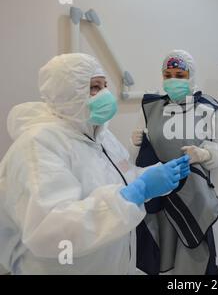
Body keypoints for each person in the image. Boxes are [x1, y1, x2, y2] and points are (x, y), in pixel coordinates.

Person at [0, 53, 190, 274]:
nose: (106, 95)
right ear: (67, 93)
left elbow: (123, 179)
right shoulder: (38, 145)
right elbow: (53, 231)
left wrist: (155, 175)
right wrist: (138, 192)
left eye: (105, 86)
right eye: (95, 87)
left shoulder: (101, 136)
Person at [130, 50, 218, 275]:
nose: (173, 80)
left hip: (197, 199)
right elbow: (143, 153)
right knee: (163, 254)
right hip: (161, 199)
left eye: (179, 74)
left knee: (195, 258)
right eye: (167, 75)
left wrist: (206, 154)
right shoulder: (153, 108)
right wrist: (138, 140)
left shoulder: (209, 109)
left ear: (192, 76)